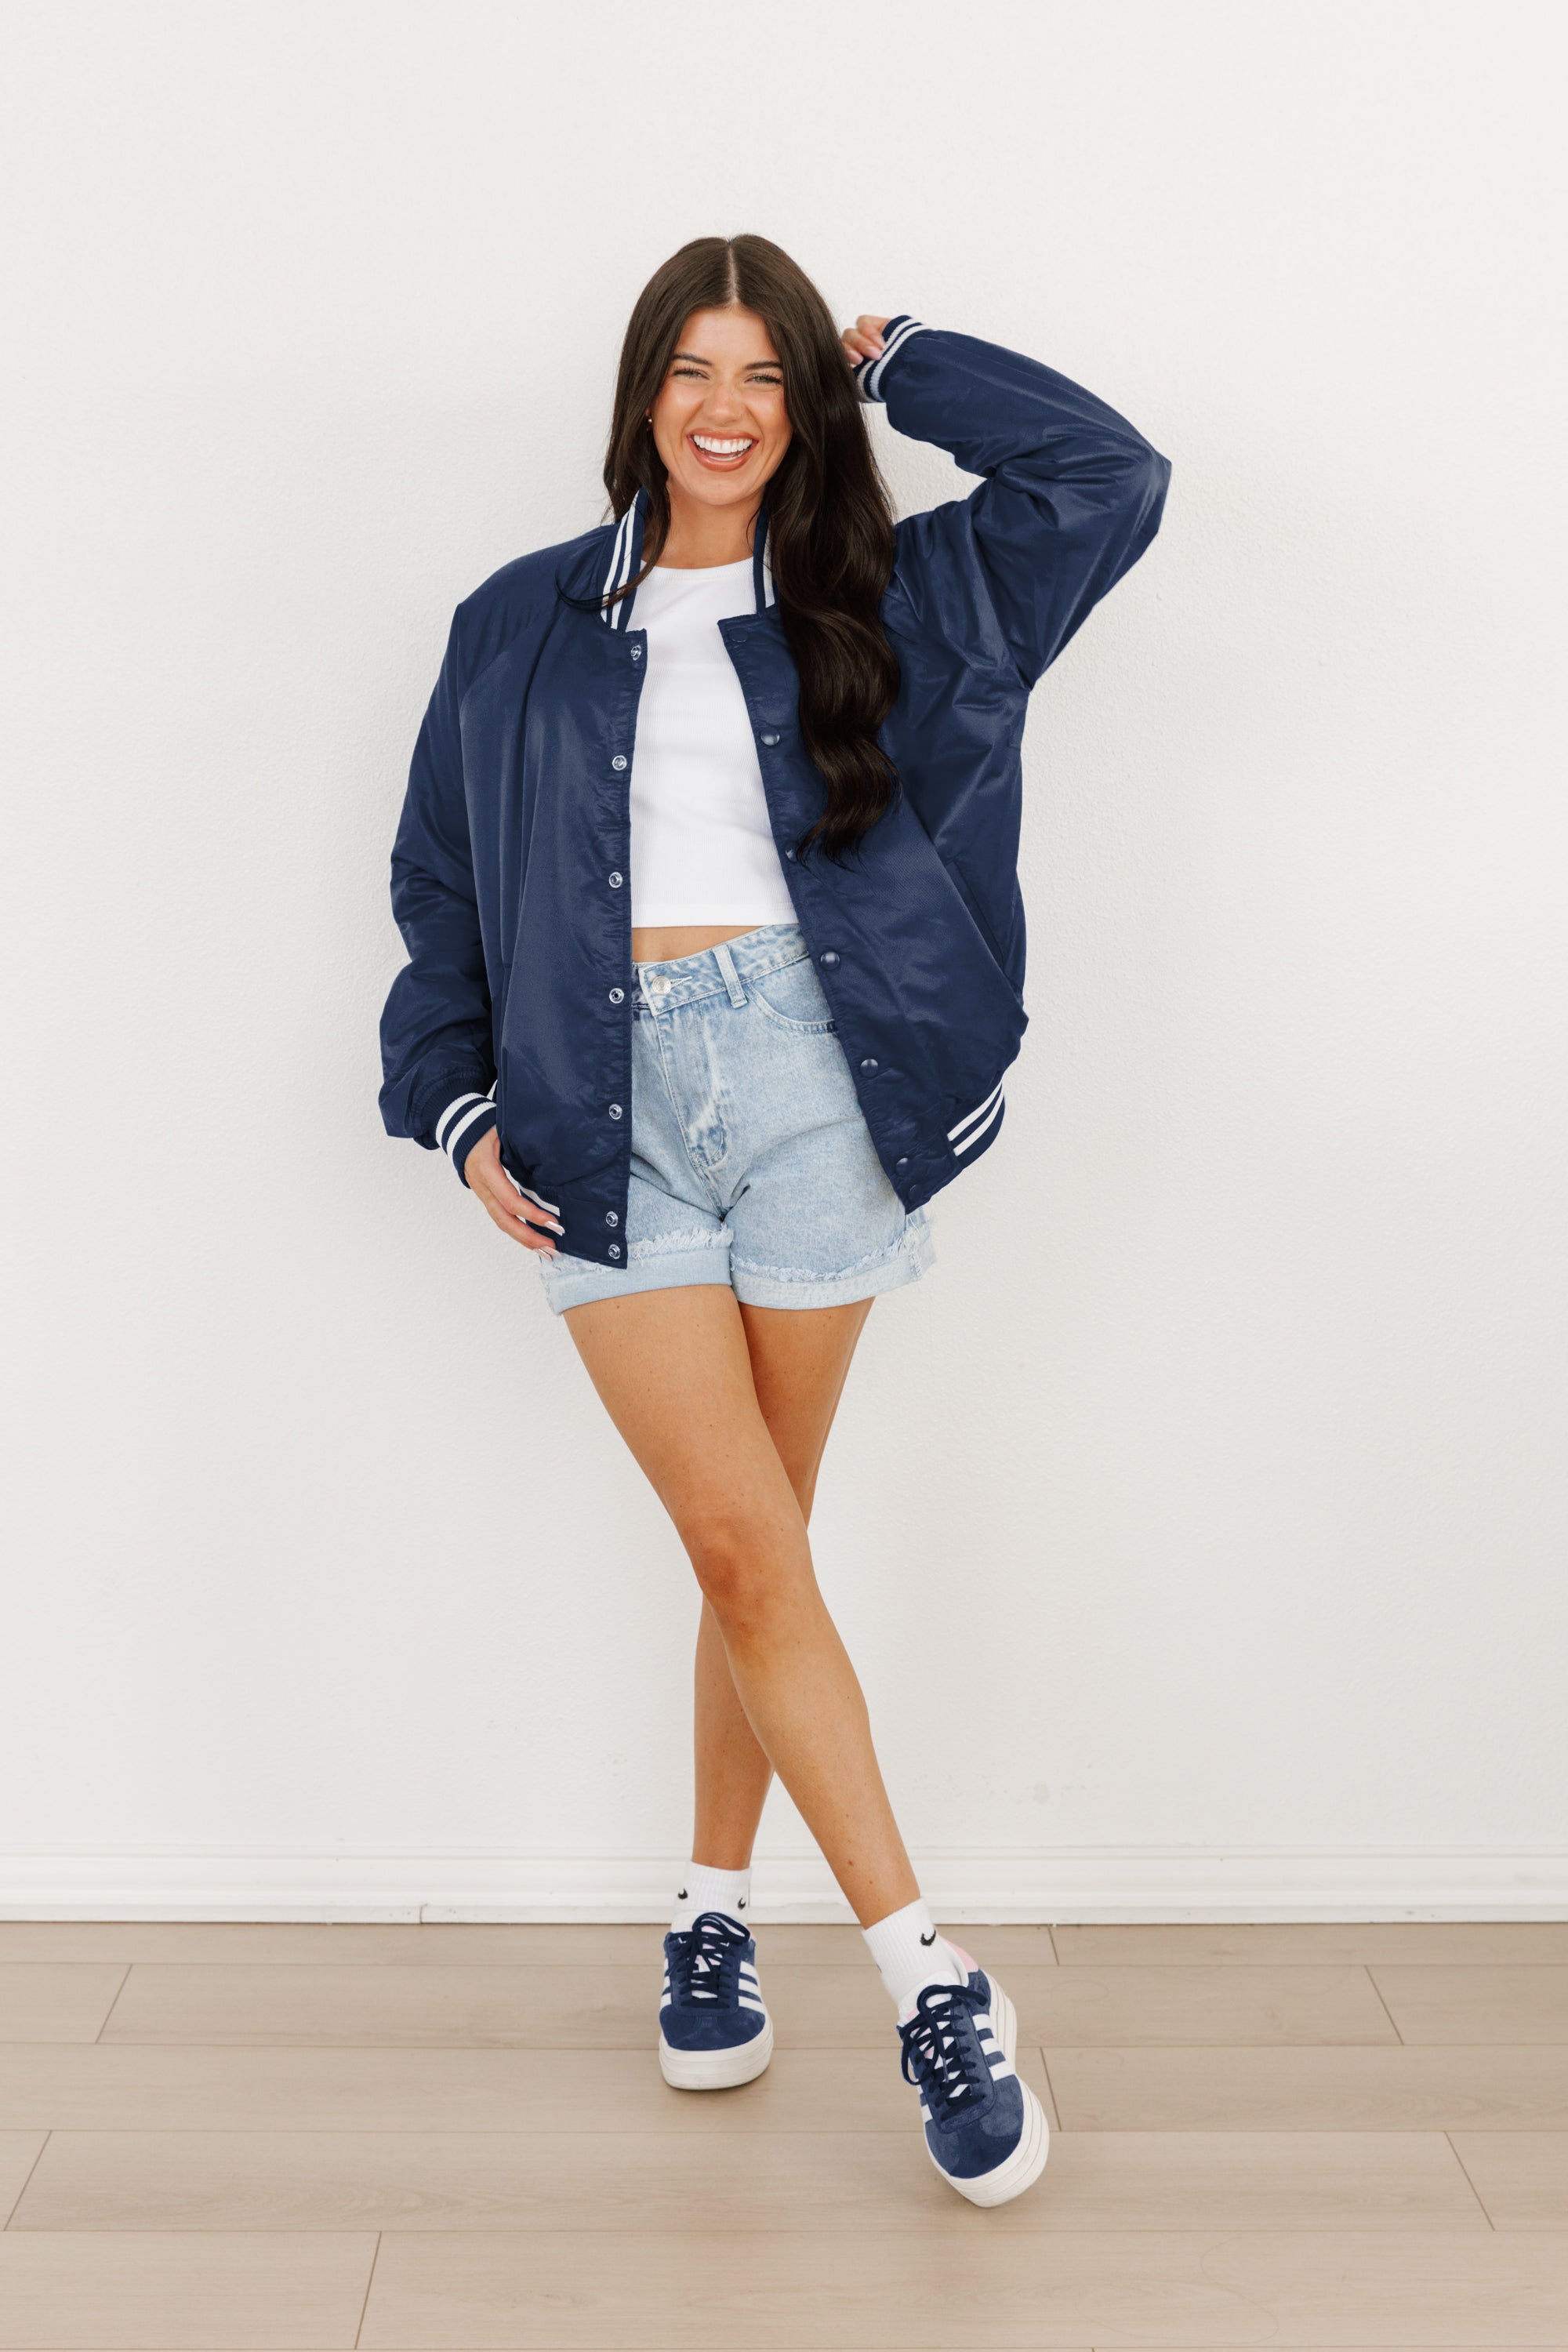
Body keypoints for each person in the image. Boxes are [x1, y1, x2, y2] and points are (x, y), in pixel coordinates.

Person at [379, 234, 1169, 2205]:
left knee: (760, 1556)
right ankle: (930, 1977)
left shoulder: (908, 595)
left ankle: (711, 1909)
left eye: (765, 374)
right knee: (744, 1545)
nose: (723, 410)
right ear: (640, 393)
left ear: (802, 402)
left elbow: (1110, 478)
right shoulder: (517, 620)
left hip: (824, 1082)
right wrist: (455, 1101)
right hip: (599, 1099)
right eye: (690, 370)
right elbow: (439, 881)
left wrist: (903, 356)